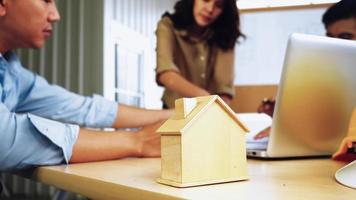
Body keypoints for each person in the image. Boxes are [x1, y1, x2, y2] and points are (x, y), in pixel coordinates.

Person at [0, 0, 173, 172]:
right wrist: (139, 141)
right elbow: (4, 140)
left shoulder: (11, 72)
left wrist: (177, 113)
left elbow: (84, 109)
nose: (56, 16)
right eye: (46, 1)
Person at [254, 0, 356, 140]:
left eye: (345, 37)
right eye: (330, 38)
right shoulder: (327, 79)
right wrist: (283, 119)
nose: (336, 44)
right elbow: (325, 123)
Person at [155, 0, 244, 108]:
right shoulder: (167, 25)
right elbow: (166, 74)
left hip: (210, 111)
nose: (210, 9)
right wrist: (205, 97)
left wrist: (219, 109)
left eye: (219, 5)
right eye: (206, 0)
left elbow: (224, 87)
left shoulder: (226, 34)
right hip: (174, 110)